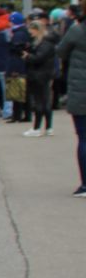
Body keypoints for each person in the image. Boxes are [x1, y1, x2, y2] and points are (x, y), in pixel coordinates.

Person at [55, 13, 86, 195]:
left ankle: (85, 185)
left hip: (80, 90)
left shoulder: (77, 30)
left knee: (84, 138)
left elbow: (61, 51)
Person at [22, 16, 58, 137]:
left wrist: (27, 56)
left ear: (37, 30)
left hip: (40, 75)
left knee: (39, 101)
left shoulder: (44, 43)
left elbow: (38, 58)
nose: (29, 32)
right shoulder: (45, 42)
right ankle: (48, 127)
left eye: (31, 29)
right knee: (45, 101)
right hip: (44, 74)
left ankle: (37, 128)